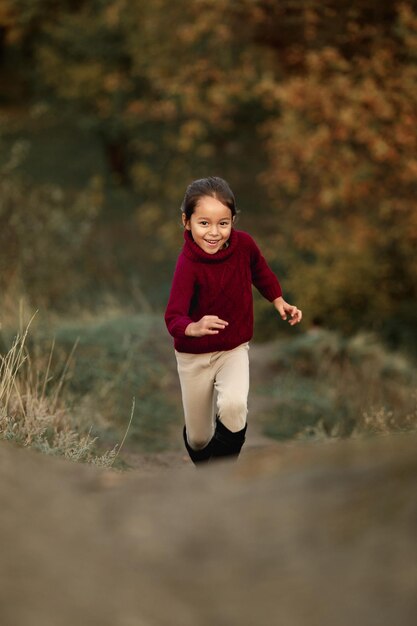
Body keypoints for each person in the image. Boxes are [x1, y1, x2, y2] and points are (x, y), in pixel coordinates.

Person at [165, 176, 302, 466]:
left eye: (223, 223)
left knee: (234, 405)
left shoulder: (244, 246)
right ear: (186, 222)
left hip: (233, 348)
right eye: (204, 223)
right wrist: (194, 327)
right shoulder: (187, 264)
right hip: (193, 356)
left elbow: (261, 272)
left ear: (232, 221)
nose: (214, 233)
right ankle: (207, 468)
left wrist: (278, 299)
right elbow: (173, 317)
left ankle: (222, 476)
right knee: (199, 439)